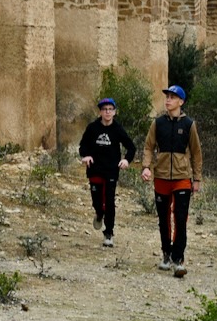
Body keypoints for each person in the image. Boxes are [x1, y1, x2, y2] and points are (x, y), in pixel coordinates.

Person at [140, 85, 203, 277]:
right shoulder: (158, 123)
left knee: (181, 218)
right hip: (161, 177)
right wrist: (146, 167)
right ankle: (166, 253)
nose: (168, 100)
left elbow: (196, 153)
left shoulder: (189, 124)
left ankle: (178, 259)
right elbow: (149, 147)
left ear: (181, 102)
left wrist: (197, 178)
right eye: (167, 96)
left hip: (182, 177)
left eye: (172, 97)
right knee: (164, 219)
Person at [78, 97, 137, 248]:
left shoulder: (117, 129)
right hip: (95, 169)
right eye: (105, 109)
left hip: (111, 170)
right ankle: (99, 213)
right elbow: (82, 145)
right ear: (100, 112)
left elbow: (131, 147)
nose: (107, 112)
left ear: (115, 112)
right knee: (97, 200)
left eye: (110, 109)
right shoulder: (93, 128)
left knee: (109, 201)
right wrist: (86, 156)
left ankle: (109, 233)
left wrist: (126, 160)